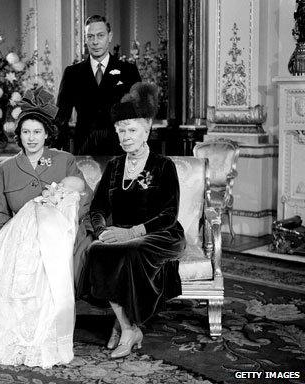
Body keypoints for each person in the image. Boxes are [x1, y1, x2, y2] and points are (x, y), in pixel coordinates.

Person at [0, 87, 92, 369]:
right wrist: (9, 240)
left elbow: (83, 200)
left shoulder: (64, 160)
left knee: (51, 261)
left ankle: (47, 336)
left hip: (59, 234)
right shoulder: (6, 169)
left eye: (37, 132)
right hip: (19, 235)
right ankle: (19, 334)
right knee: (18, 260)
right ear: (19, 136)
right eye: (26, 132)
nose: (32, 138)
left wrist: (59, 219)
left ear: (47, 134)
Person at [79, 82, 186, 359]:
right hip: (122, 232)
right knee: (97, 251)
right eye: (122, 131)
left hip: (161, 234)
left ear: (146, 131)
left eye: (132, 130)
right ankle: (129, 327)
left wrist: (131, 233)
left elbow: (169, 214)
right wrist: (102, 231)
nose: (126, 137)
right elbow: (98, 207)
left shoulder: (163, 166)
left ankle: (125, 326)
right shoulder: (114, 166)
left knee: (132, 251)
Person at [56, 14, 141, 155]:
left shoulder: (128, 71)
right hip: (84, 148)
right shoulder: (72, 73)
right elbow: (61, 116)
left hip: (120, 149)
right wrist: (59, 151)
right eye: (90, 36)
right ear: (85, 39)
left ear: (110, 36)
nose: (95, 42)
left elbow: (138, 113)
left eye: (100, 35)